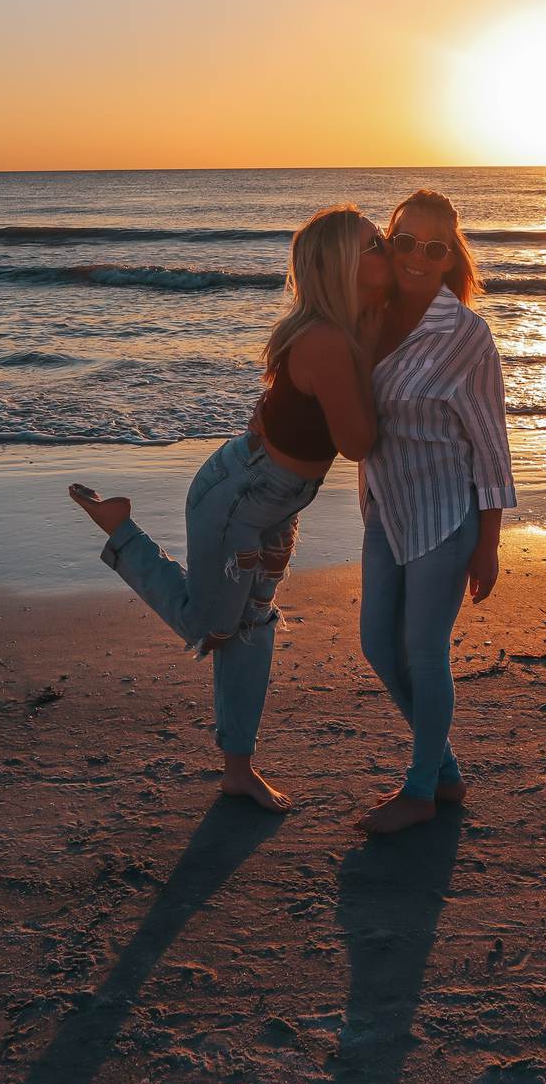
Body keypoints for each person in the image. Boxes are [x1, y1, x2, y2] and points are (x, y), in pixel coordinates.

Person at [69, 206, 390, 812]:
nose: (384, 252)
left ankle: (238, 769)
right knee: (210, 627)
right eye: (372, 245)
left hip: (272, 500)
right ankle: (123, 533)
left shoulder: (346, 330)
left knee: (250, 628)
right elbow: (357, 443)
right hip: (239, 499)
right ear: (341, 265)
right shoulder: (325, 340)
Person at [355, 188, 516, 835]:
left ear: (452, 257)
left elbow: (491, 443)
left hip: (447, 512)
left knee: (423, 649)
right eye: (405, 242)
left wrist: (489, 542)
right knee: (376, 644)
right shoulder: (370, 315)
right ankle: (444, 770)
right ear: (389, 245)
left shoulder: (467, 337)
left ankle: (421, 790)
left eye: (435, 248)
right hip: (385, 506)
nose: (418, 257)